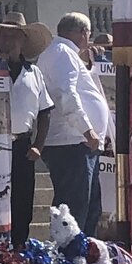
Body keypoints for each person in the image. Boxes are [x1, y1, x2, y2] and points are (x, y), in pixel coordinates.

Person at [38, 12, 112, 235]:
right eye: (88, 34)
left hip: (79, 143)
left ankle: (82, 255)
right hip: (73, 142)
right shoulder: (62, 53)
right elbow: (65, 94)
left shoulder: (63, 53)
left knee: (88, 208)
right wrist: (87, 130)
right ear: (82, 33)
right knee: (74, 209)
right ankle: (70, 260)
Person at [0, 17, 53, 247]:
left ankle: (19, 246)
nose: (7, 40)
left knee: (22, 199)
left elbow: (45, 112)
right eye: (3, 35)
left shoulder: (34, 73)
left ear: (23, 40)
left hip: (22, 145)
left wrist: (39, 145)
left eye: (13, 35)